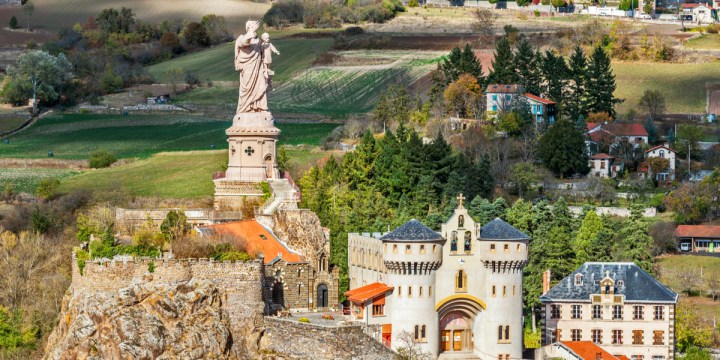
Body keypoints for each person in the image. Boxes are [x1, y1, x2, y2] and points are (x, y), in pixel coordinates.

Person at [234, 20, 268, 113]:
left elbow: (262, 51)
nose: (256, 26)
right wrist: (252, 31)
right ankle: (246, 109)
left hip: (258, 67)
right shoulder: (242, 38)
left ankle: (260, 107)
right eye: (253, 25)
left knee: (261, 85)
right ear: (249, 27)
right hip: (248, 68)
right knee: (247, 88)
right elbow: (245, 42)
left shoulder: (257, 39)